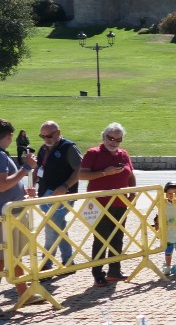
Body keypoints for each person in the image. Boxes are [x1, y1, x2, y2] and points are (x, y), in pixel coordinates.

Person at [80, 123, 136, 287]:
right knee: (101, 238)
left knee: (117, 237)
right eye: (110, 138)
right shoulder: (93, 153)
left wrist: (132, 193)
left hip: (120, 202)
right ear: (103, 137)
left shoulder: (124, 154)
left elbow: (130, 174)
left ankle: (114, 270)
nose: (113, 142)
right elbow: (82, 175)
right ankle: (98, 273)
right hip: (98, 203)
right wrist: (105, 172)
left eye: (118, 139)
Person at [32, 121, 81, 270]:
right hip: (45, 192)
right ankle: (68, 260)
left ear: (58, 133)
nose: (46, 139)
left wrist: (65, 186)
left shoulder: (68, 147)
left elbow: (80, 169)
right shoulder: (43, 148)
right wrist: (32, 184)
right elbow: (39, 168)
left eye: (50, 135)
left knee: (51, 226)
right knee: (57, 226)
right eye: (43, 136)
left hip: (63, 193)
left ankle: (46, 262)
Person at [0, 119, 34, 298]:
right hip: (5, 214)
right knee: (4, 256)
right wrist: (26, 168)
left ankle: (23, 292)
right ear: (10, 136)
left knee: (11, 255)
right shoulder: (0, 155)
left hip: (9, 212)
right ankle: (24, 292)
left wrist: (21, 190)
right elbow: (2, 185)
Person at [156, 184, 176, 272]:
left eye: (174, 193)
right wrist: (157, 225)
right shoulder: (163, 204)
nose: (172, 195)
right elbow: (158, 216)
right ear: (165, 194)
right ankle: (168, 267)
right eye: (169, 193)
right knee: (169, 248)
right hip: (168, 230)